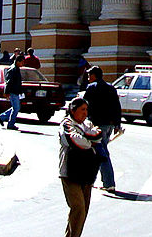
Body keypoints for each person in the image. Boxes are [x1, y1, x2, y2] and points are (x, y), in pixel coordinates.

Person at [59, 96, 103, 237]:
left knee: (82, 212)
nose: (85, 113)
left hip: (87, 173)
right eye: (82, 110)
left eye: (86, 110)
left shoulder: (87, 124)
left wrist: (86, 136)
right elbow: (73, 140)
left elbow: (98, 135)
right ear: (73, 110)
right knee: (78, 208)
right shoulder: (66, 124)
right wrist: (90, 141)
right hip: (70, 173)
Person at [82, 65, 122, 192]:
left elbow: (84, 106)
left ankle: (109, 183)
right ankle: (94, 180)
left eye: (89, 75)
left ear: (94, 76)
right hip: (109, 124)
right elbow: (117, 106)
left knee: (101, 152)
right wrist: (117, 124)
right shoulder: (111, 88)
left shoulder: (91, 88)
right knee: (97, 151)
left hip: (98, 124)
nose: (88, 77)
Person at [0, 53, 24, 130]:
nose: (23, 64)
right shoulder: (13, 69)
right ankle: (10, 124)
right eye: (22, 62)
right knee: (16, 108)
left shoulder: (16, 69)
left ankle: (2, 117)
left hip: (15, 91)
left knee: (15, 107)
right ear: (17, 61)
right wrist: (6, 92)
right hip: (13, 91)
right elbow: (9, 82)